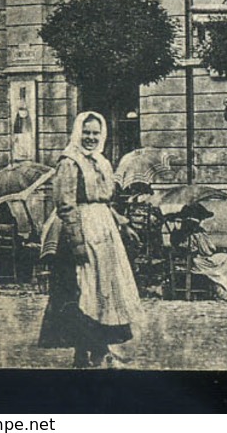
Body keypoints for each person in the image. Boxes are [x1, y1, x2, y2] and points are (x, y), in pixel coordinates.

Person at [37, 111, 144, 368]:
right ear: (77, 133)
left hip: (105, 231)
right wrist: (77, 243)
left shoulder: (102, 162)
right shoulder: (69, 162)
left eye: (96, 133)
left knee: (105, 291)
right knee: (82, 291)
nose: (91, 138)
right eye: (86, 132)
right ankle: (83, 351)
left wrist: (123, 223)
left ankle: (99, 346)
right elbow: (65, 205)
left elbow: (105, 202)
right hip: (81, 229)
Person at [171, 202, 227, 300]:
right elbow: (208, 250)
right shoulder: (198, 231)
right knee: (224, 259)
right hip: (197, 262)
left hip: (184, 261)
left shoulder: (177, 232)